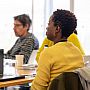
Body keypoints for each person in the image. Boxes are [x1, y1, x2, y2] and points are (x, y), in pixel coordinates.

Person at [31, 9, 84, 90]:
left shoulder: (48, 53)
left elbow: (38, 88)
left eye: (49, 24)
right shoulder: (77, 52)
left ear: (57, 29)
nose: (47, 27)